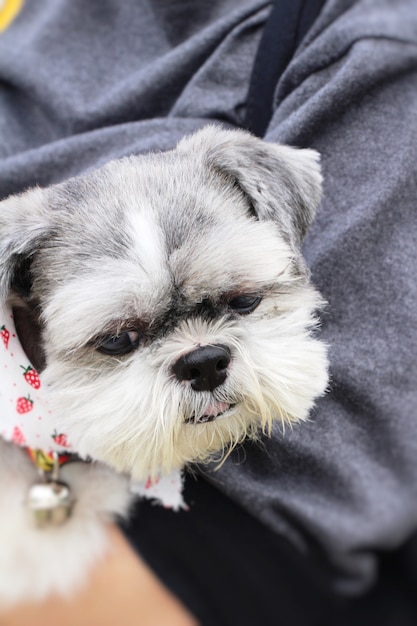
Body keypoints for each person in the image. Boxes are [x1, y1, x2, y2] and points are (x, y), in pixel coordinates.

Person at [0, 0, 416, 624]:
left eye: (242, 301)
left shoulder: (370, 43)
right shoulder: (38, 24)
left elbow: (299, 525)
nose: (200, 357)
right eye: (119, 338)